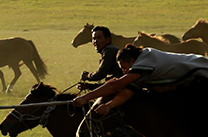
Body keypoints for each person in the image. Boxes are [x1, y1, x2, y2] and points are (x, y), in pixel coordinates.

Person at [74, 44, 208, 116]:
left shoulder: (146, 58)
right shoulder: (139, 73)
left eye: (124, 68)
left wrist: (86, 97)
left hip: (203, 74)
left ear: (132, 61)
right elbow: (126, 92)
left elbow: (115, 85)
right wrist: (108, 106)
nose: (124, 72)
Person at [79, 25, 122, 90]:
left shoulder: (109, 51)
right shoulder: (110, 49)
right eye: (94, 39)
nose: (95, 41)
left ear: (108, 39)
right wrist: (90, 86)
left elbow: (101, 74)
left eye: (99, 38)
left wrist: (87, 76)